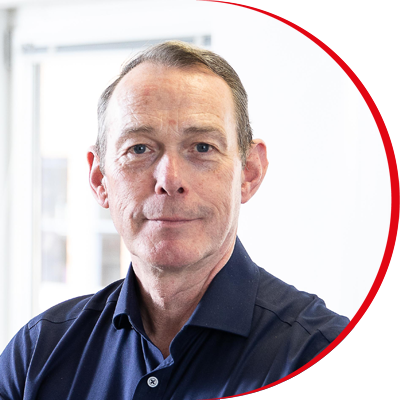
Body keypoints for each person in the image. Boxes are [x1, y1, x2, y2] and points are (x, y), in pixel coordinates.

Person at [0, 41, 349, 400]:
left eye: (202, 147)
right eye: (139, 149)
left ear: (249, 172)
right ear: (99, 179)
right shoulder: (36, 355)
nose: (169, 180)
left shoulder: (327, 356)